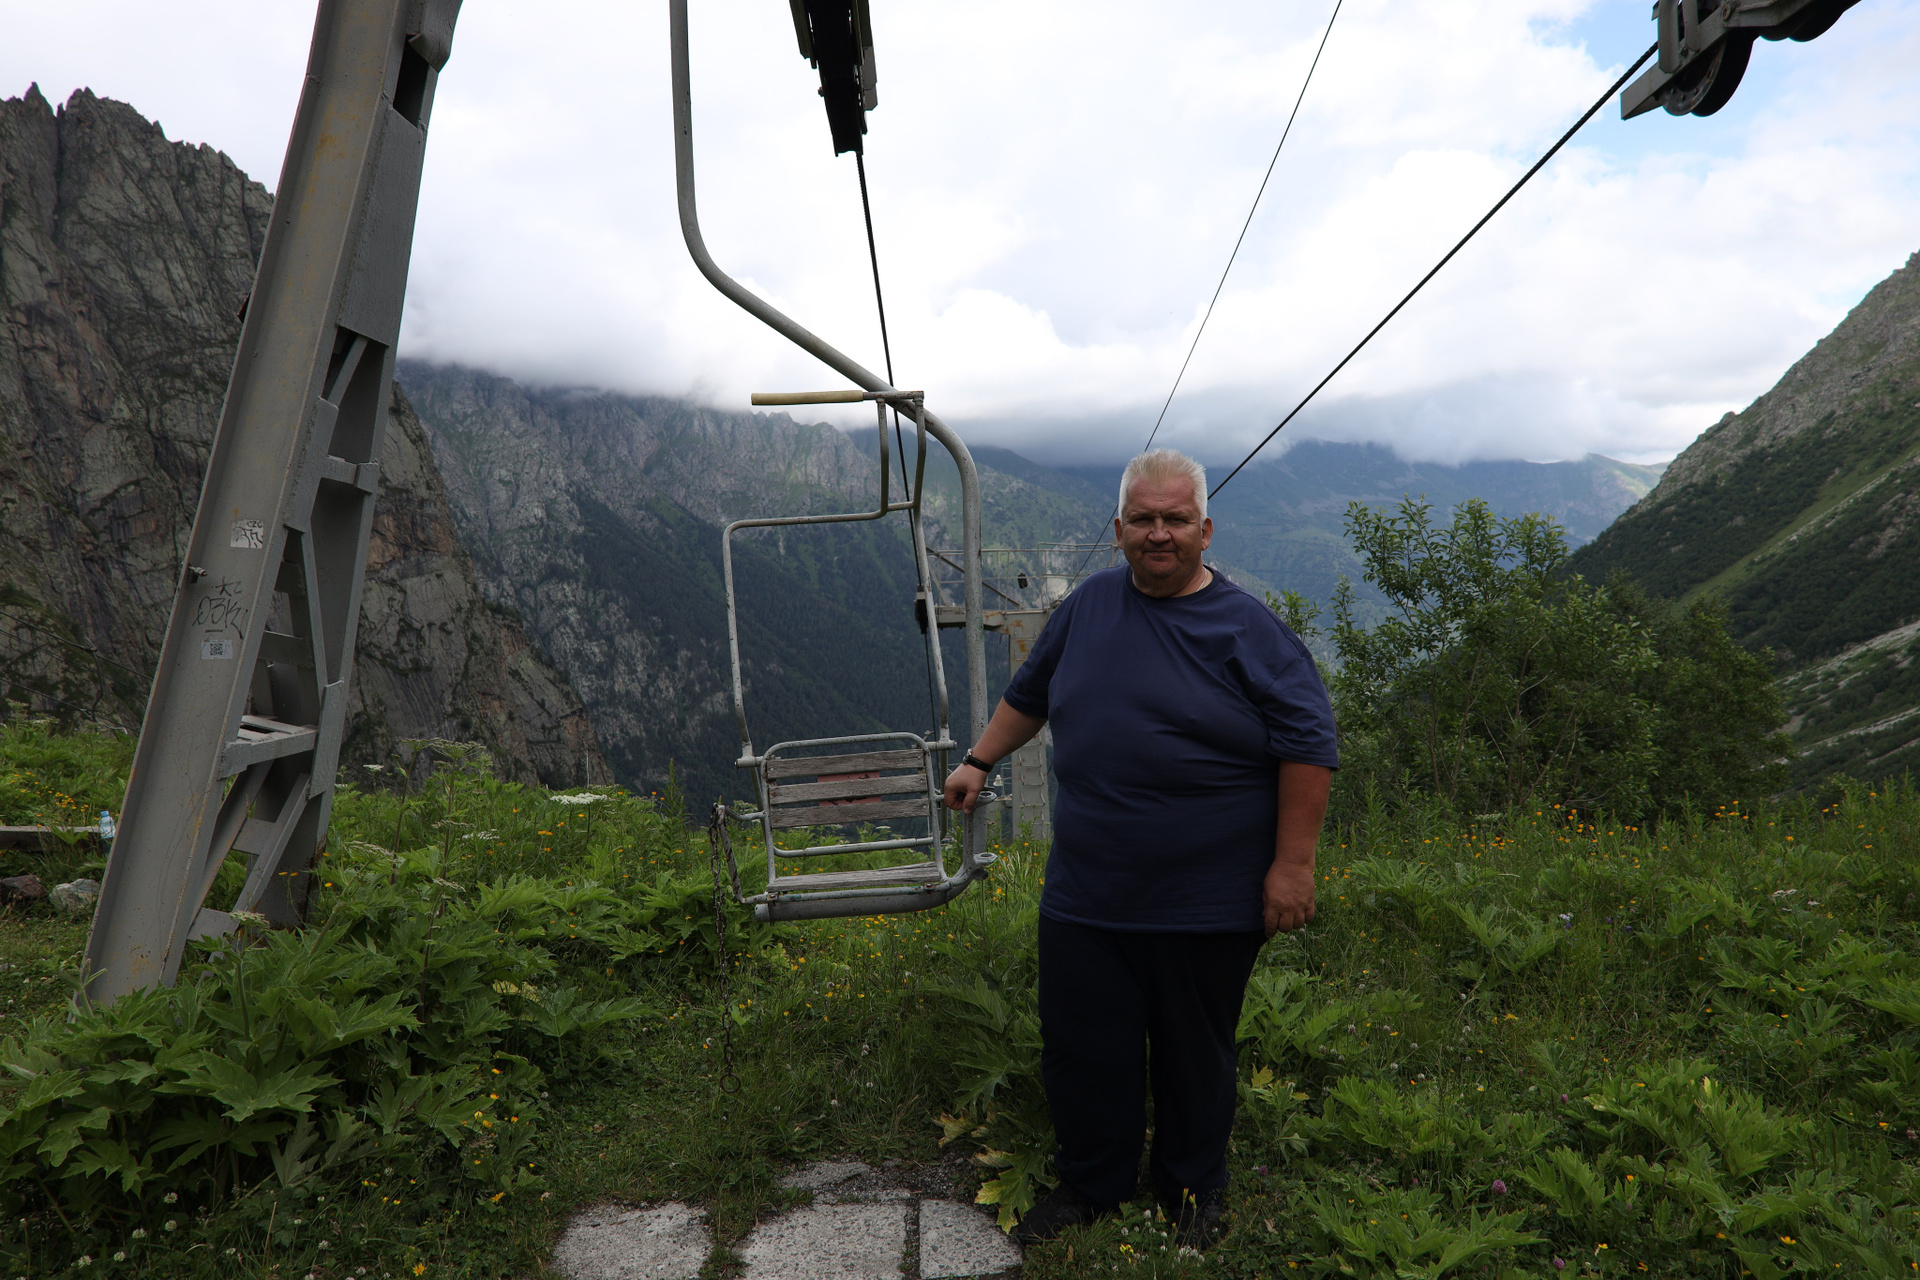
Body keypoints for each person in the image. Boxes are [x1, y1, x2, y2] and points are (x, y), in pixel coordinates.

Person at [944, 448, 1336, 1251]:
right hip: (1088, 892)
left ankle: (1192, 1189)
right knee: (1084, 1046)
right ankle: (1092, 1184)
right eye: (1144, 519)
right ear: (1119, 527)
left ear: (1205, 530)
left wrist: (1292, 866)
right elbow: (1029, 695)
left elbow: (1309, 745)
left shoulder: (1247, 629)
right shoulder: (1088, 606)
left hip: (1208, 896)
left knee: (1195, 1053)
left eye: (1176, 520)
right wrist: (979, 760)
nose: (1160, 534)